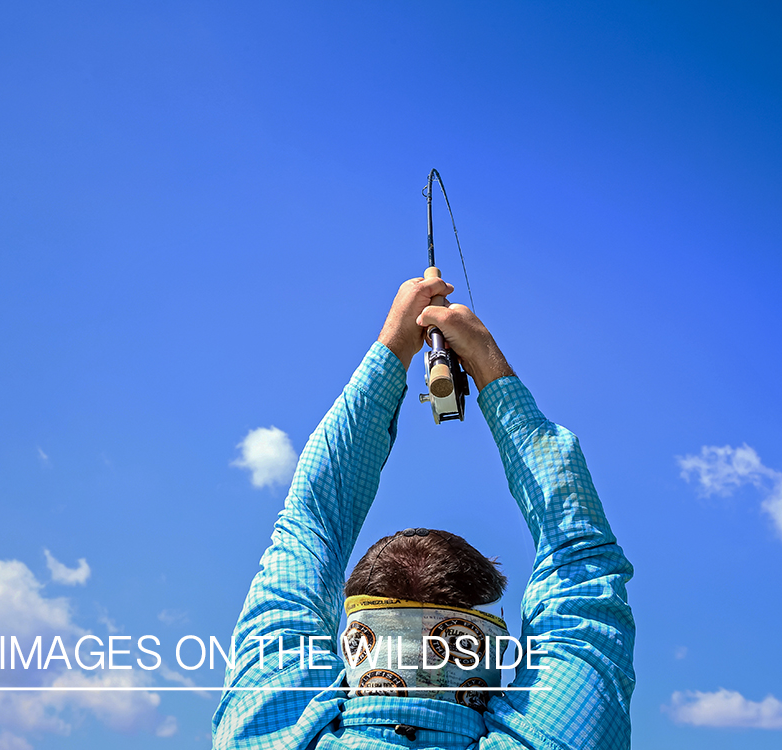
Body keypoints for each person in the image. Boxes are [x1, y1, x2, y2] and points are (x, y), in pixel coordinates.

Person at [213, 276, 635, 749]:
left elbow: (311, 523)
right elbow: (579, 556)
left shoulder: (265, 736)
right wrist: (489, 367)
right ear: (483, 643)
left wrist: (392, 347)